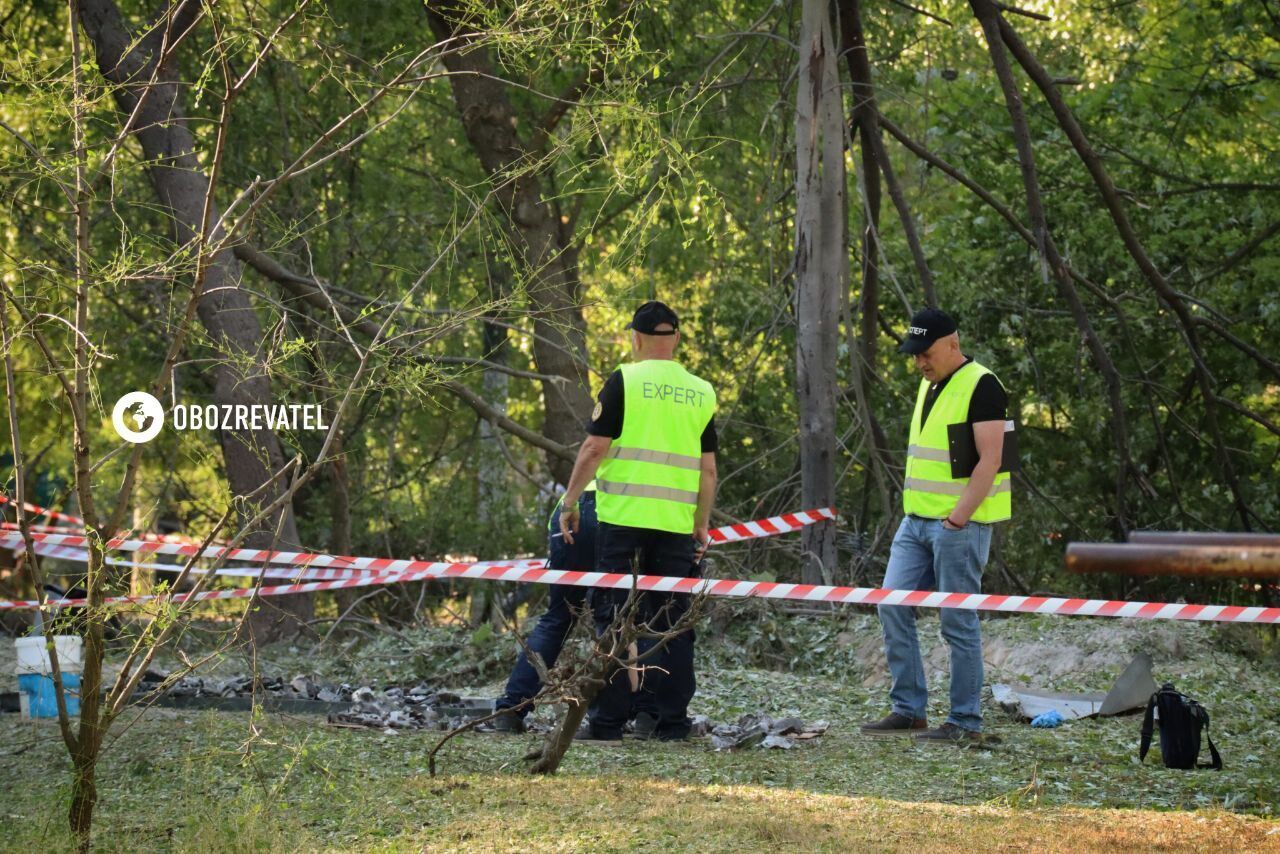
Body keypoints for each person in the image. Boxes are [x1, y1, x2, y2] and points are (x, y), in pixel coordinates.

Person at [558, 300, 717, 742]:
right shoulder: (701, 391)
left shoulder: (625, 380)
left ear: (636, 338)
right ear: (677, 339)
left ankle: (608, 722)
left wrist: (569, 500)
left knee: (613, 620)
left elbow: (593, 449)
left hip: (622, 521)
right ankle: (670, 723)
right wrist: (700, 523)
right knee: (671, 624)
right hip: (674, 525)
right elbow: (708, 470)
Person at [861, 307, 1012, 745]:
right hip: (917, 523)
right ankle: (909, 711)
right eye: (914, 356)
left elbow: (992, 459)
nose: (919, 363)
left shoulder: (982, 385)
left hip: (957, 527)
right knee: (891, 604)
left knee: (957, 622)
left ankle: (965, 721)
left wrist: (956, 519)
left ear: (953, 343)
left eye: (925, 353)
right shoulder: (930, 385)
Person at [492, 485, 598, 733]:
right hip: (621, 513)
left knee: (558, 618)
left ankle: (510, 709)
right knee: (620, 618)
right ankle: (620, 719)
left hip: (574, 505)